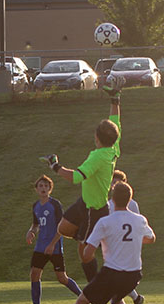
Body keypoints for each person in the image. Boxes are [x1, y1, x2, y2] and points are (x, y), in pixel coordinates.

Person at [46, 181, 155, 304]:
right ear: (130, 199)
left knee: (81, 301)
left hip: (112, 272)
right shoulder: (140, 219)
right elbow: (151, 238)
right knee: (117, 298)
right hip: (134, 274)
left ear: (111, 199)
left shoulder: (105, 222)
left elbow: (88, 254)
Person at [42, 85, 122, 283]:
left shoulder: (97, 157)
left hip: (93, 209)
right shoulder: (113, 147)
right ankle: (88, 239)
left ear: (96, 138)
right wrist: (115, 100)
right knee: (62, 229)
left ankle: (95, 288)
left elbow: (76, 177)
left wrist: (55, 166)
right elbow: (115, 121)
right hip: (84, 204)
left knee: (85, 254)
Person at [25, 175, 82, 304]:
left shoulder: (55, 204)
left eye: (46, 186)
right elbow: (36, 224)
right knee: (34, 274)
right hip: (40, 246)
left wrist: (52, 244)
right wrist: (31, 231)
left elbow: (61, 227)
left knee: (62, 278)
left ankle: (84, 298)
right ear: (36, 189)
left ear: (50, 189)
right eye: (40, 186)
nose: (43, 188)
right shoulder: (36, 206)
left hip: (54, 247)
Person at [108, 170, 144, 304]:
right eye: (113, 183)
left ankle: (128, 301)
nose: (115, 185)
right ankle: (133, 299)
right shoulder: (108, 204)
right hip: (112, 245)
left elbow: (137, 224)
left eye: (118, 183)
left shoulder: (133, 204)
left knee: (118, 276)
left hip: (127, 245)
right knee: (114, 276)